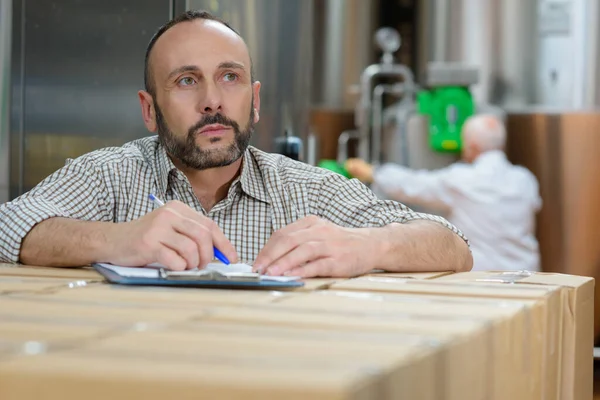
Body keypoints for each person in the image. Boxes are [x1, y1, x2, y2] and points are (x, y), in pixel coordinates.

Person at [0, 10, 472, 277]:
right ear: (149, 110)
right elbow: (8, 224)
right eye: (186, 81)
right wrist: (115, 239)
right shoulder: (109, 176)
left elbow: (453, 246)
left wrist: (371, 247)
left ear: (255, 98)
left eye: (230, 77)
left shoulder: (307, 189)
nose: (212, 101)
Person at [346, 114, 542, 272]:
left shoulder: (462, 179)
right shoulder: (525, 179)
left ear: (472, 146)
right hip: (525, 274)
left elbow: (414, 185)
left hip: (484, 276)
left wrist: (374, 172)